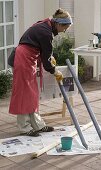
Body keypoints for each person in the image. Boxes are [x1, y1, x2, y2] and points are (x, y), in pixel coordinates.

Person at [9, 8, 73, 136]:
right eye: (65, 28)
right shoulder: (46, 32)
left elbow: (45, 50)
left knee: (32, 93)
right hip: (23, 59)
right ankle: (25, 128)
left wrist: (50, 56)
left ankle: (38, 125)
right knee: (23, 93)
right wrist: (54, 71)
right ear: (58, 24)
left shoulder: (46, 25)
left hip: (29, 58)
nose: (64, 31)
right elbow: (46, 60)